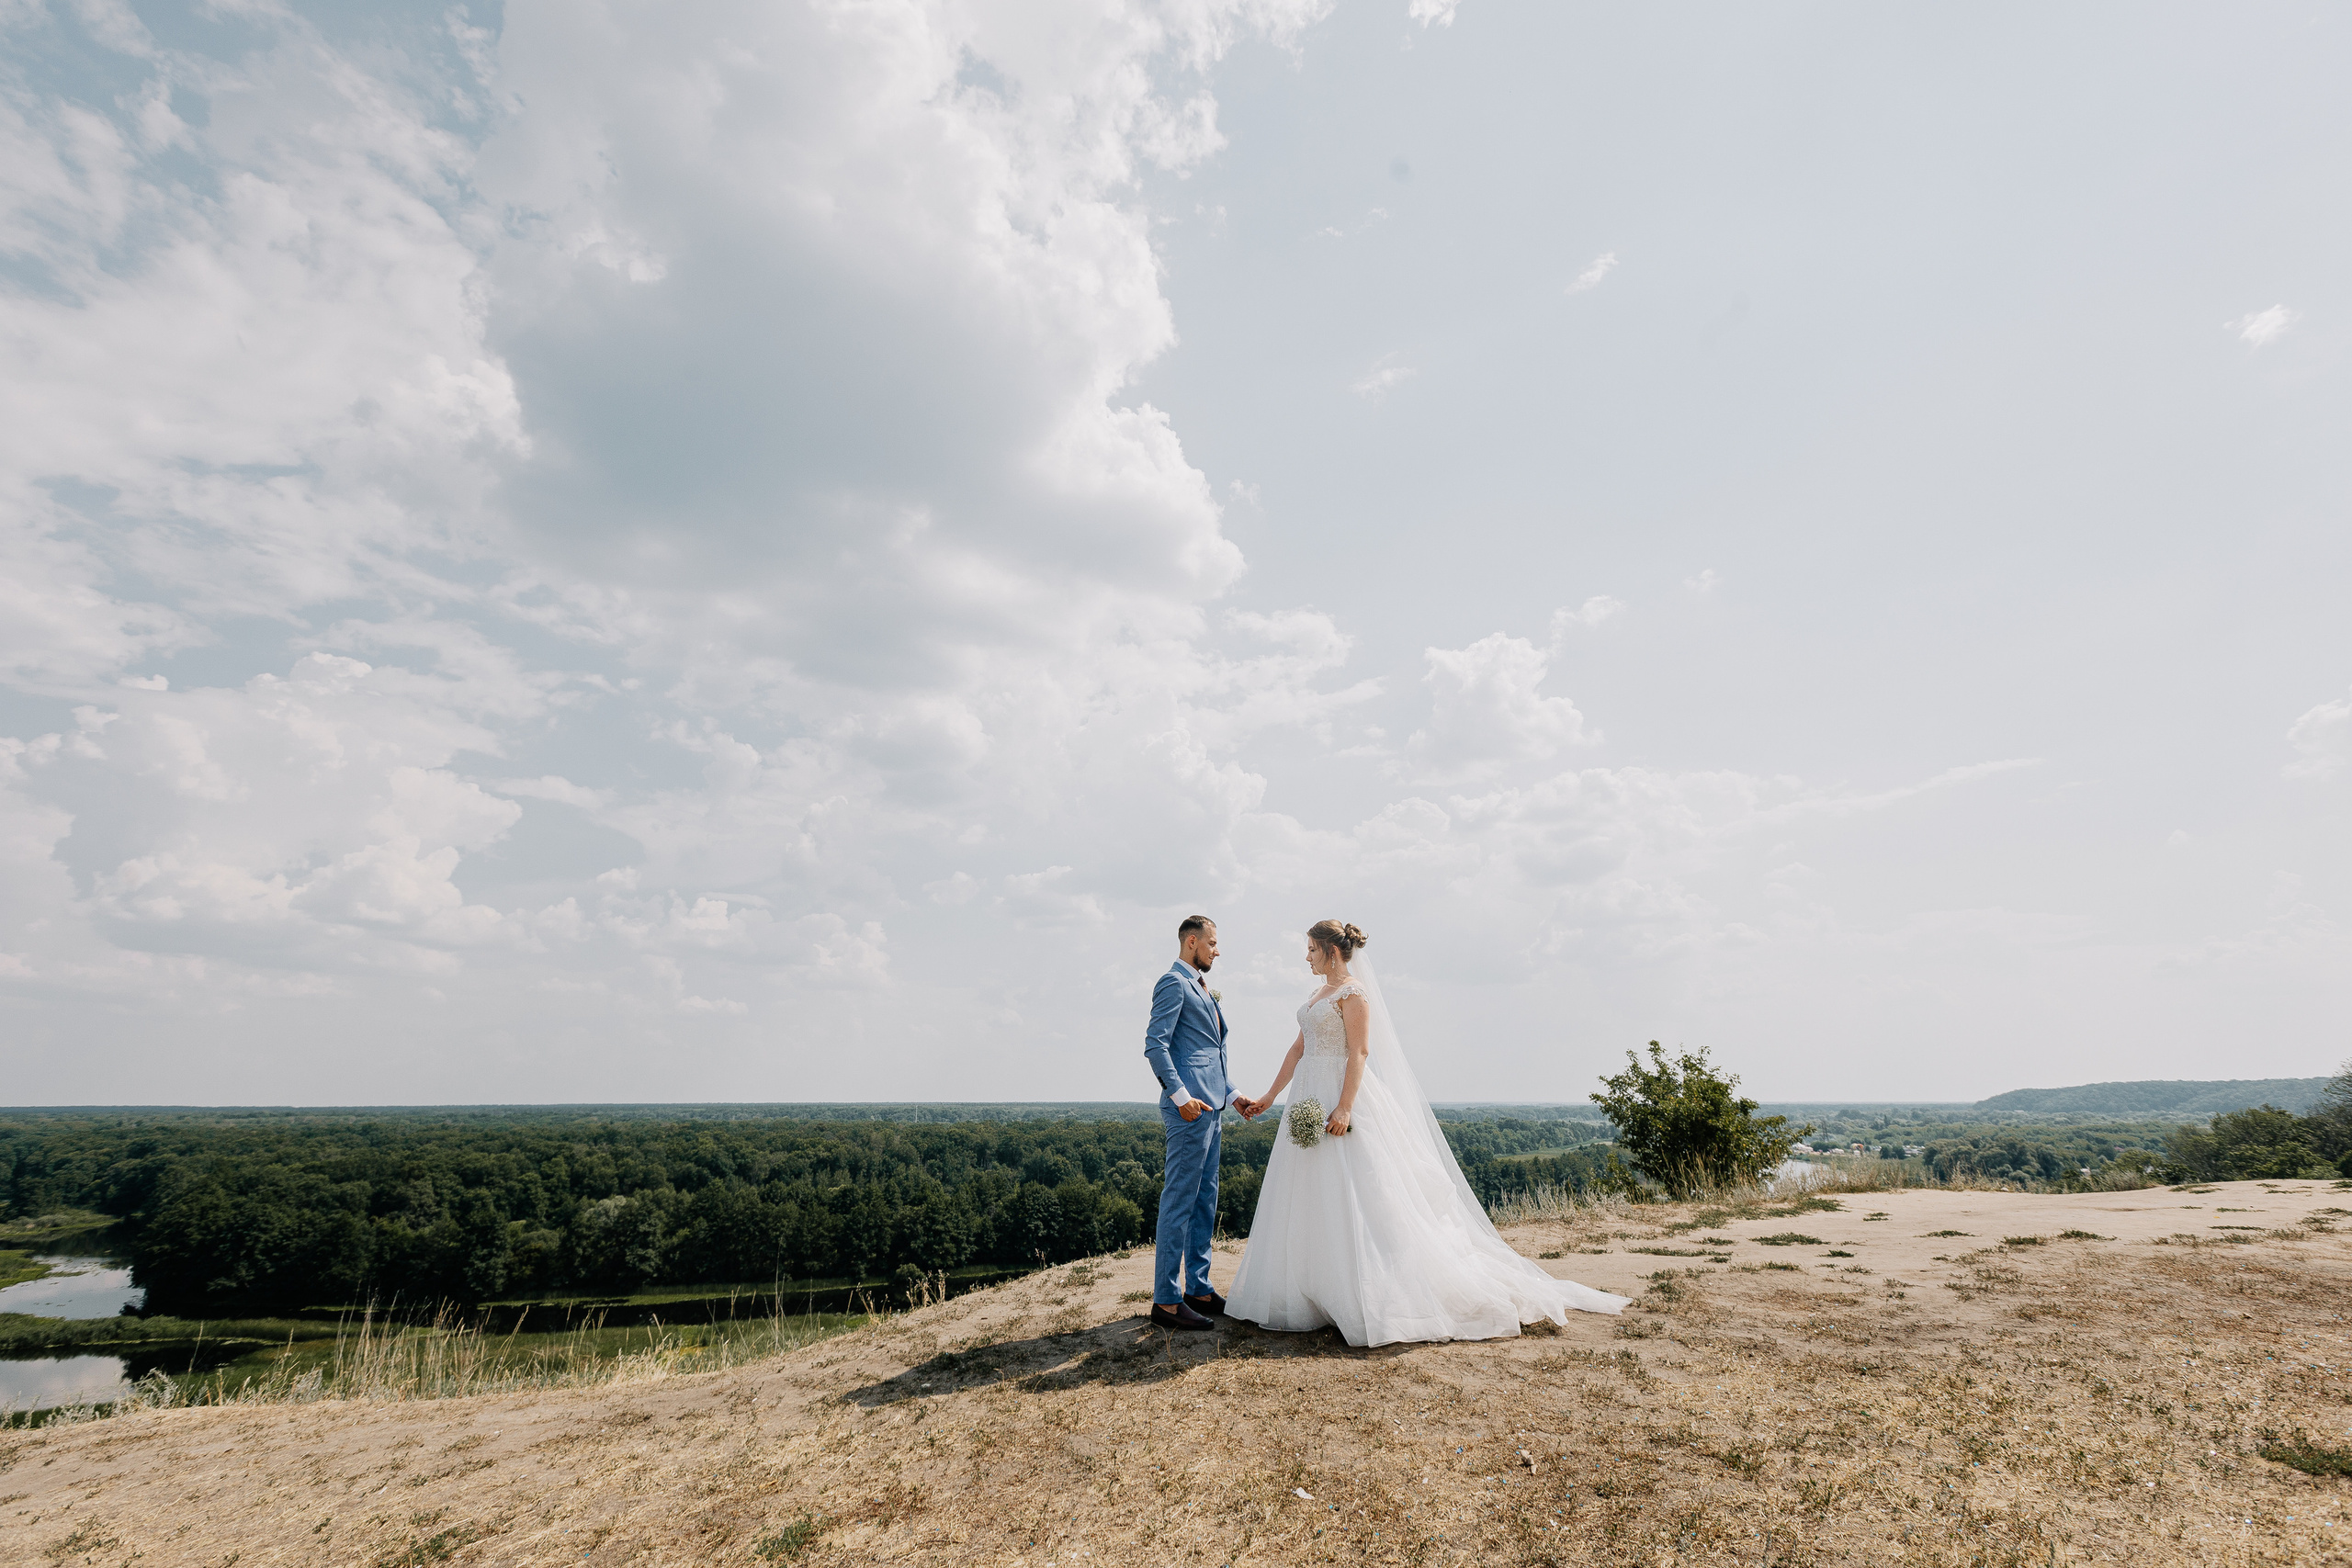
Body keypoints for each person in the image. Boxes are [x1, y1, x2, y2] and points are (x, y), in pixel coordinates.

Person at [1225, 919, 1628, 1345]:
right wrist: (1271, 1097)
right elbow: (1299, 1047)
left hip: (1342, 1096)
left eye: (1310, 949)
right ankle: (1311, 1291)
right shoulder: (1316, 995)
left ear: (1330, 950)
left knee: (1359, 1191)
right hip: (1307, 1097)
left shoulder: (1354, 993)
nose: (1305, 957)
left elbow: (1360, 1050)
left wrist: (1345, 1106)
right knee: (1307, 1189)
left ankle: (1364, 1291)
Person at [1140, 914, 1238, 1331]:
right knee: (1179, 1200)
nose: (1217, 950)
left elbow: (1209, 1052)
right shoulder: (1172, 983)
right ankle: (1166, 1301)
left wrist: (1233, 1096)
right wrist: (1180, 1098)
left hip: (1212, 1108)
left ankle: (1197, 1287)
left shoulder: (1200, 986)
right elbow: (1155, 1046)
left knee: (1205, 1199)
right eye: (1213, 943)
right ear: (1192, 941)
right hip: (1188, 1111)